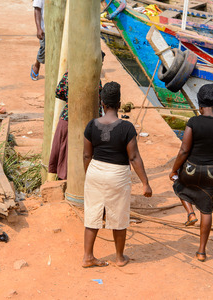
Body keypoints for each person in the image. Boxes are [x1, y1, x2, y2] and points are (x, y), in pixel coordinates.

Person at [82, 81, 152, 268]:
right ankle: (119, 258)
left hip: (95, 171)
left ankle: (88, 257)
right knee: (119, 216)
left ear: (102, 103)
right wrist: (145, 183)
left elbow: (87, 155)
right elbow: (134, 157)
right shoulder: (127, 128)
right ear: (119, 105)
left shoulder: (92, 125)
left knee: (92, 214)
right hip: (117, 174)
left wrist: (88, 174)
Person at [169, 83, 213, 262]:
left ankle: (190, 212)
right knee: (206, 210)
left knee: (179, 185)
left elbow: (184, 150)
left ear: (199, 104)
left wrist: (174, 169)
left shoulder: (193, 122)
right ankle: (201, 251)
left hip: (191, 168)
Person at [48, 51, 105, 180]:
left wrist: (71, 100)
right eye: (101, 63)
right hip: (82, 122)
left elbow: (59, 92)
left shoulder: (70, 73)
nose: (101, 65)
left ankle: (64, 178)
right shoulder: (95, 79)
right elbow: (99, 101)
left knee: (65, 151)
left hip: (67, 118)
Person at [31, 0, 45, 81]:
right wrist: (39, 28)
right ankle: (36, 64)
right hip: (45, 28)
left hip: (59, 26)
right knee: (44, 48)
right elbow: (37, 9)